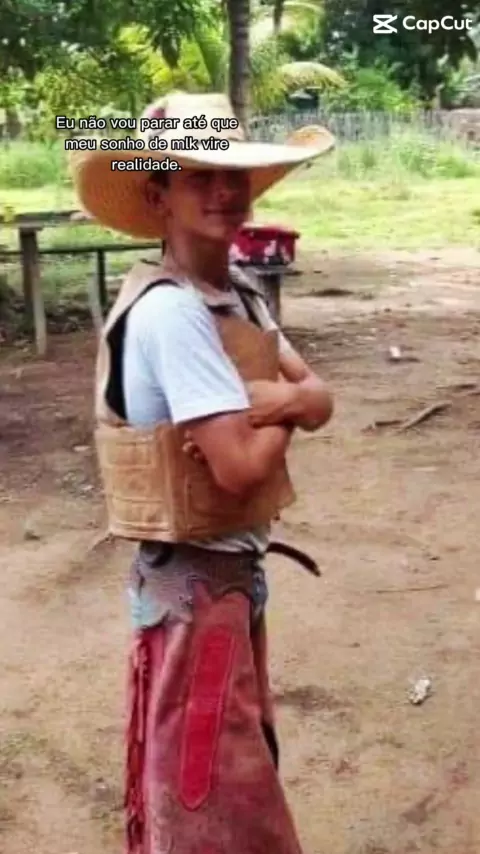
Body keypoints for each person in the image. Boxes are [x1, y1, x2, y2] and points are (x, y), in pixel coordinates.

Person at [71, 91, 335, 854]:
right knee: (213, 807)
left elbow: (321, 398)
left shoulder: (239, 292)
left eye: (232, 173)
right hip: (196, 591)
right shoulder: (174, 313)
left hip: (223, 582)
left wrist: (280, 402)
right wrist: (286, 407)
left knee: (225, 782)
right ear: (158, 196)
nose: (224, 191)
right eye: (197, 176)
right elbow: (240, 470)